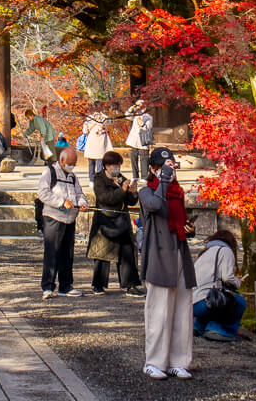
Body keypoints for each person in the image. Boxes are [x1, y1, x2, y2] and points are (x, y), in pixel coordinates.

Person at [137, 146, 196, 378]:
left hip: (179, 251)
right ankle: (154, 361)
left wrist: (189, 229)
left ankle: (178, 360)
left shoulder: (177, 193)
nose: (168, 171)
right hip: (159, 254)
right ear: (153, 169)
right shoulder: (146, 191)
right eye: (162, 167)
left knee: (182, 310)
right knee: (159, 311)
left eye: (170, 166)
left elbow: (180, 221)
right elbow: (155, 206)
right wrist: (163, 180)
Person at [89, 151, 142, 294]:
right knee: (101, 254)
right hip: (105, 220)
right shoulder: (99, 179)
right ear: (106, 165)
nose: (117, 168)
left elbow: (130, 201)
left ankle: (130, 284)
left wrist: (133, 193)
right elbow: (106, 198)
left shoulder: (121, 178)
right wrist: (122, 190)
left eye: (119, 165)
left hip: (122, 221)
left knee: (127, 253)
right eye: (114, 165)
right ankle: (98, 285)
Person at [37, 146, 86, 298]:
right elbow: (43, 193)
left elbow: (79, 193)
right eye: (70, 163)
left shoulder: (73, 177)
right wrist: (61, 202)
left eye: (74, 163)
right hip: (53, 217)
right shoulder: (49, 172)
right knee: (52, 252)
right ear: (62, 161)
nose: (72, 166)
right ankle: (48, 287)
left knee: (67, 254)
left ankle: (65, 286)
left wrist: (82, 203)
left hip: (70, 219)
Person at [192, 228, 247, 340]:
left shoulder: (205, 252)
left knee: (210, 295)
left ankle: (199, 327)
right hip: (204, 304)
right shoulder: (225, 250)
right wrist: (238, 282)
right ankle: (220, 330)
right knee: (239, 302)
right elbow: (227, 278)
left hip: (191, 303)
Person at [81, 108, 111, 181]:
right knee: (99, 164)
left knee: (91, 163)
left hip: (91, 143)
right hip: (101, 144)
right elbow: (109, 122)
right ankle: (99, 181)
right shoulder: (103, 118)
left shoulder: (89, 118)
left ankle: (91, 180)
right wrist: (102, 115)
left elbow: (85, 131)